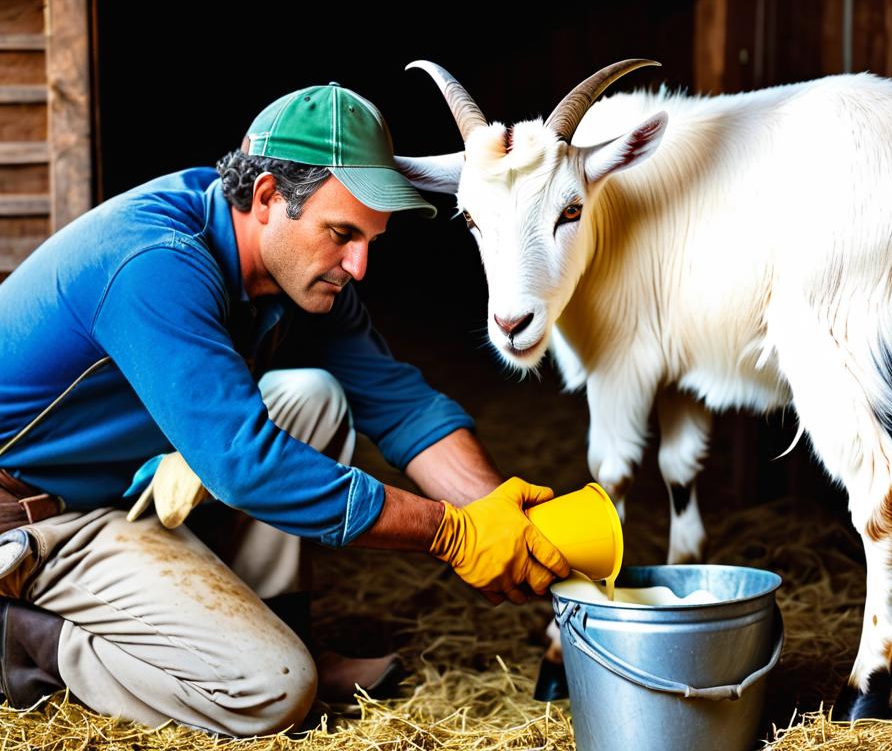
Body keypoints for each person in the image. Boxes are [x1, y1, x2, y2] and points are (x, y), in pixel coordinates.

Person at [0, 82, 570, 735]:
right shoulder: (156, 262)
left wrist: (502, 522)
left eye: (370, 241)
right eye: (341, 234)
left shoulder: (296, 270)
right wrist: (450, 531)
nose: (357, 266)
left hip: (108, 484)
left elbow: (401, 405)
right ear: (267, 196)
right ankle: (25, 645)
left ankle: (283, 628)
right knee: (270, 690)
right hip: (31, 514)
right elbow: (246, 464)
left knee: (312, 398)